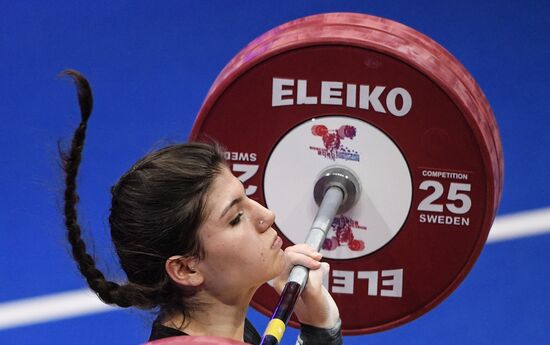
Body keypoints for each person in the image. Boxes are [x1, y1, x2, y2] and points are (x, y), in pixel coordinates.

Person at [59, 70, 343, 345]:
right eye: (235, 218)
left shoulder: (232, 332)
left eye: (247, 197)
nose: (267, 216)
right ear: (185, 268)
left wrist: (318, 326)